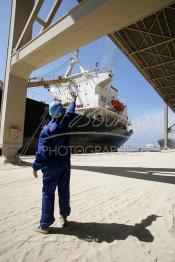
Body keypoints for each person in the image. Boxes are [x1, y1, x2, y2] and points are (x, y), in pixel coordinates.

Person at [32, 93, 77, 234]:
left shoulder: (46, 131)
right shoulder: (67, 121)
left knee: (48, 193)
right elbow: (70, 111)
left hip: (51, 167)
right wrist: (73, 100)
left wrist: (35, 166)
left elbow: (41, 153)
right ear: (61, 112)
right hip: (65, 164)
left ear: (50, 114)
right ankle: (64, 217)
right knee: (64, 191)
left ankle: (44, 225)